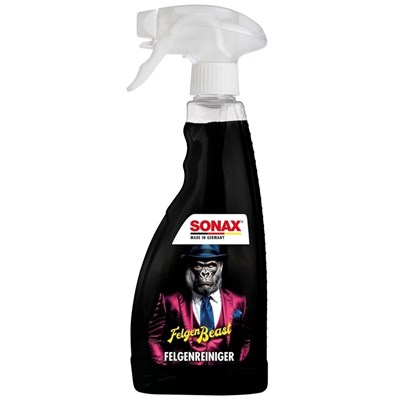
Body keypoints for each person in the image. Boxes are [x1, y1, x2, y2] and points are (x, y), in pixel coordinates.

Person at [148, 245, 250, 365]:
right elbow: (154, 339)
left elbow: (247, 340)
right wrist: (166, 369)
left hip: (224, 374)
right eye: (198, 265)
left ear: (221, 267)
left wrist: (238, 368)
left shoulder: (238, 301)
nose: (204, 272)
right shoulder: (169, 301)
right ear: (190, 268)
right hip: (185, 374)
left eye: (211, 265)